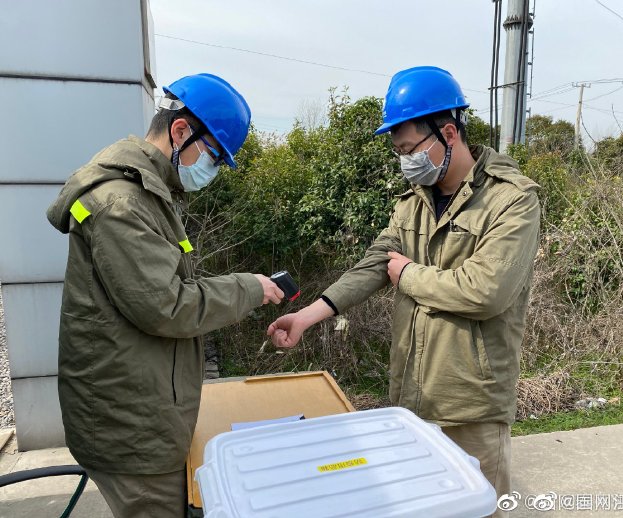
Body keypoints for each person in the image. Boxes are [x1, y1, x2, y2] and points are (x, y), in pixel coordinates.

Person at [267, 66, 540, 515]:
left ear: (448, 133)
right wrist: (307, 316)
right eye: (399, 152)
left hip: (470, 404)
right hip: (412, 398)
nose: (405, 161)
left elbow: (486, 291)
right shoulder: (414, 200)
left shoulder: (511, 200)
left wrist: (409, 275)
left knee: (477, 507)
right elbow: (376, 264)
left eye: (410, 149)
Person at [46, 73, 284, 518]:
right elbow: (167, 306)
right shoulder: (121, 204)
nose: (212, 170)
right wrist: (249, 287)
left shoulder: (147, 193)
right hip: (133, 433)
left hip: (141, 408)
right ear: (179, 131)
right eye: (213, 156)